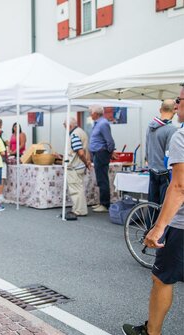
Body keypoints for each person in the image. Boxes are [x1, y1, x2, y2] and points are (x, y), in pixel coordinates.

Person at [121, 90, 184, 335]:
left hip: (180, 224)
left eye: (180, 100)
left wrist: (158, 227)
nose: (177, 104)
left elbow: (179, 187)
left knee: (162, 278)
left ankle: (151, 332)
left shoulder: (180, 136)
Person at [145, 99, 177, 205]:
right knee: (165, 206)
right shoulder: (171, 129)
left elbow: (147, 149)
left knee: (152, 204)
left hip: (152, 169)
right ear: (174, 110)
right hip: (165, 172)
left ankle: (150, 222)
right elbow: (170, 153)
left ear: (160, 109)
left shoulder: (150, 127)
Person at [61, 117, 91, 219]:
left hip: (74, 166)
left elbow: (80, 152)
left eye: (65, 126)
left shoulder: (74, 134)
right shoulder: (82, 132)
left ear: (69, 126)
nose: (65, 128)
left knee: (76, 189)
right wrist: (87, 163)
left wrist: (86, 161)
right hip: (80, 165)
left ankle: (79, 210)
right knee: (79, 187)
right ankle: (79, 209)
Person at [88, 105, 116, 213]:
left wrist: (109, 152)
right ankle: (102, 202)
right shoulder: (98, 123)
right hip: (97, 153)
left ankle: (105, 204)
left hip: (101, 153)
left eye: (91, 112)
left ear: (96, 113)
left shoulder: (103, 124)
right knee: (100, 179)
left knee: (103, 179)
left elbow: (109, 141)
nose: (90, 114)